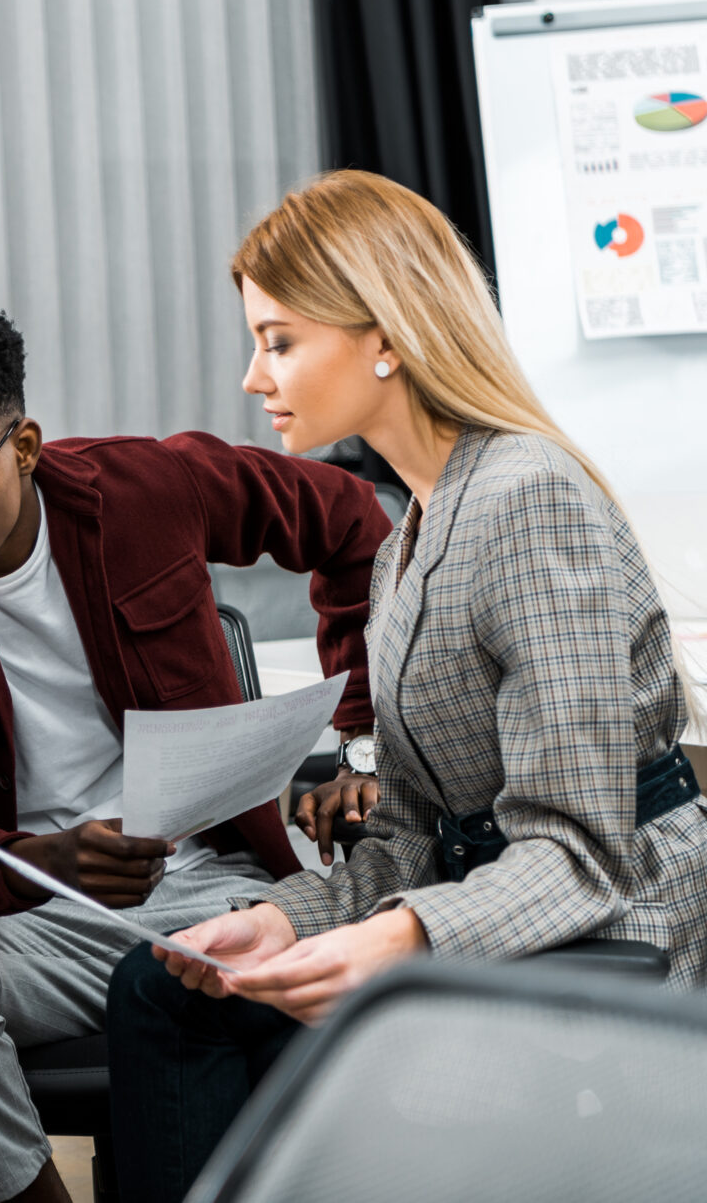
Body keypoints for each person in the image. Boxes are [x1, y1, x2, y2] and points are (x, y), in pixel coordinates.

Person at [106, 169, 707, 1203]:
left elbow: (580, 851)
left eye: (279, 338)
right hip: (489, 904)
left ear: (383, 334)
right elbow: (410, 834)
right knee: (160, 993)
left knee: (349, 1123)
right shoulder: (406, 539)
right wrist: (289, 917)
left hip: (608, 933)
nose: (253, 375)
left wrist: (395, 939)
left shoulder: (525, 499)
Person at [0, 298, 391, 1203]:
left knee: (318, 992)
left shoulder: (146, 489)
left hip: (208, 884)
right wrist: (38, 863)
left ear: (22, 447)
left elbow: (350, 519)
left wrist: (360, 735)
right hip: (9, 921)